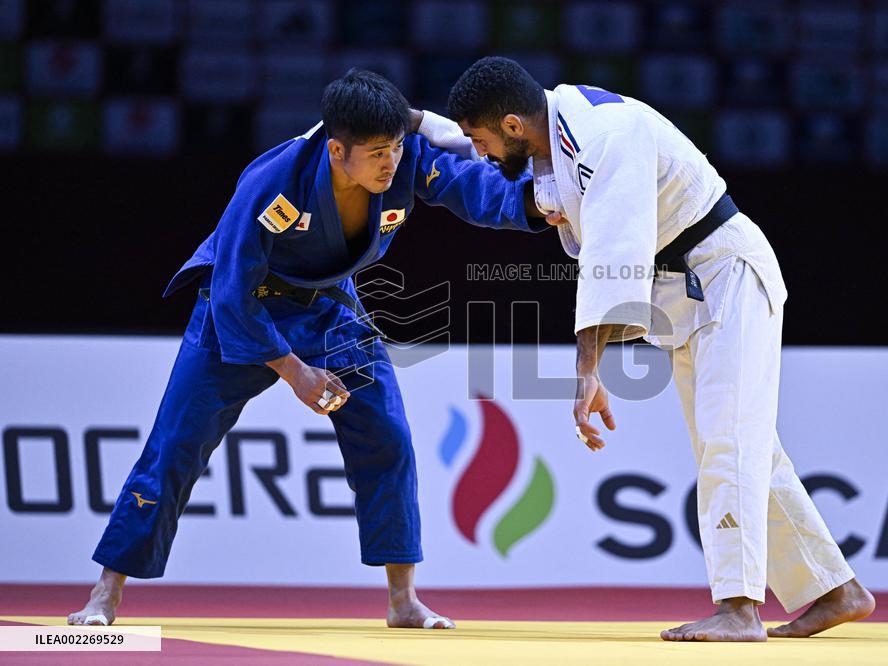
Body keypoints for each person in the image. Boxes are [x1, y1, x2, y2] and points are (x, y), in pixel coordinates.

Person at [68, 69, 548, 629]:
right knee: (175, 445)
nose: (390, 162)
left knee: (387, 435)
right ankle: (106, 592)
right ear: (336, 149)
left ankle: (403, 600)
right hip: (241, 311)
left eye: (395, 147)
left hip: (328, 308)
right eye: (375, 153)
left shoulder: (405, 157)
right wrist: (295, 373)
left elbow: (473, 188)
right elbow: (230, 292)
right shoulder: (275, 181)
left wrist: (539, 204)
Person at [445, 56, 876, 641]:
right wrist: (418, 123)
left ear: (514, 124)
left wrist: (587, 371)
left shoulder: (603, 138)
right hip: (687, 291)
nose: (482, 154)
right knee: (741, 445)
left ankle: (739, 607)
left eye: (483, 139)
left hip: (725, 274)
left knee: (730, 441)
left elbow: (610, 258)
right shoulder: (556, 137)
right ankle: (836, 588)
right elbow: (550, 201)